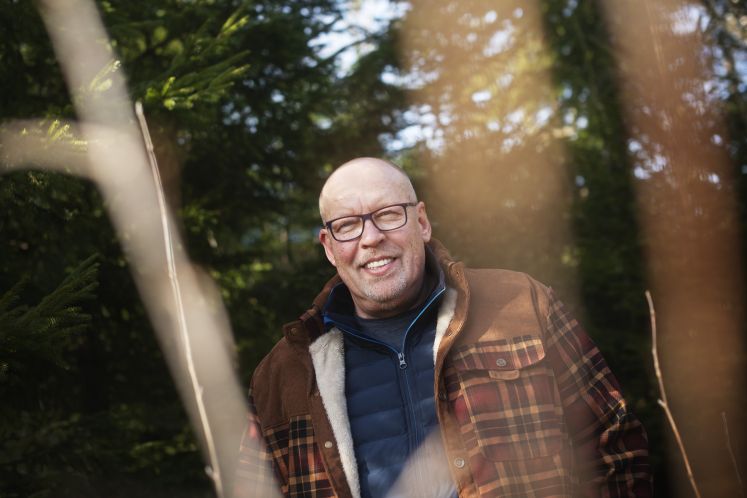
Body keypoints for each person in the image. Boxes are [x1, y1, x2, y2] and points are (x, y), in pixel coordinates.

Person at [234, 157, 651, 498]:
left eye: (388, 215)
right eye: (347, 225)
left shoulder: (522, 305)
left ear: (422, 222)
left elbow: (614, 445)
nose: (371, 238)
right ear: (329, 247)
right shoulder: (282, 374)